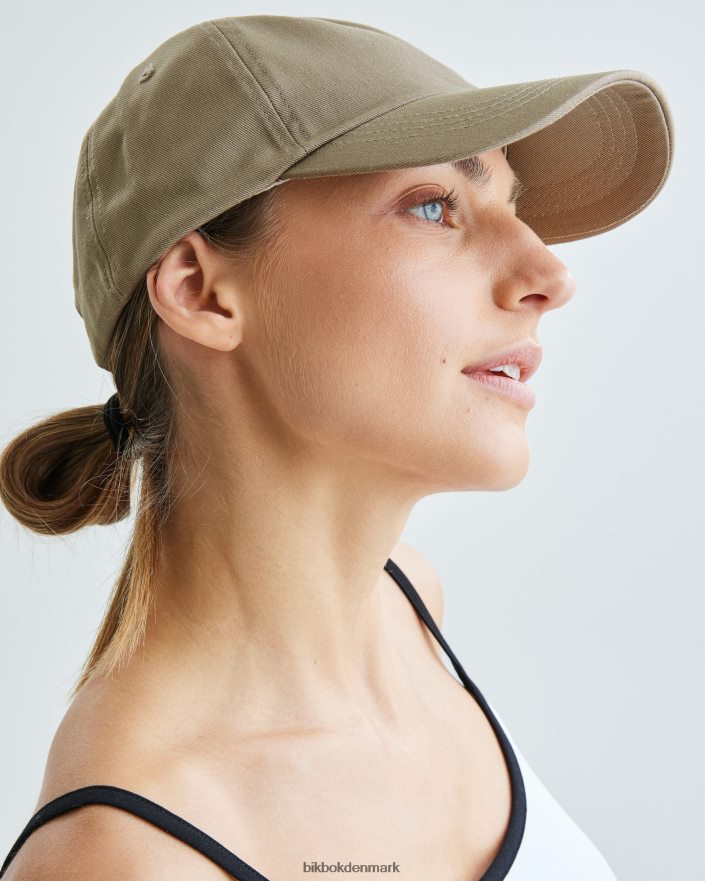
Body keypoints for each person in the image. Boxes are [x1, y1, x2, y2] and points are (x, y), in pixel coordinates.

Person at [0, 14, 674, 881]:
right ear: (201, 291)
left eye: (511, 207)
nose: (550, 274)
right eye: (433, 206)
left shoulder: (407, 605)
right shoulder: (122, 858)